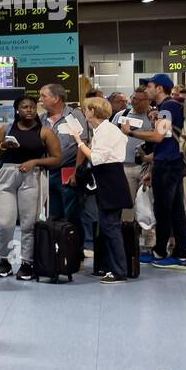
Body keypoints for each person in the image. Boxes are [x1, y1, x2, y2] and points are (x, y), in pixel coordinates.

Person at [0, 96, 62, 279]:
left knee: (29, 223)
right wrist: (3, 145)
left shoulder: (45, 132)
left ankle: (27, 263)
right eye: (24, 107)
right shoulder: (6, 129)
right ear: (17, 110)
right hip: (7, 175)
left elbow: (56, 158)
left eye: (32, 107)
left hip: (32, 175)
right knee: (4, 222)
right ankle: (4, 260)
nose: (29, 110)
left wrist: (35, 161)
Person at [125, 74, 186, 269]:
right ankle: (179, 254)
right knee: (175, 209)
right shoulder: (167, 107)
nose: (146, 90)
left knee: (164, 210)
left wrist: (131, 132)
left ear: (160, 88)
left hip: (168, 166)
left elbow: (158, 137)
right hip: (170, 163)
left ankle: (161, 252)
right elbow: (167, 140)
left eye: (150, 86)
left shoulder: (168, 107)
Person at [76, 96, 133, 283]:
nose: (84, 113)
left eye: (86, 109)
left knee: (111, 227)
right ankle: (111, 267)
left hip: (110, 180)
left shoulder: (105, 131)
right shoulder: (104, 129)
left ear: (92, 111)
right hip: (109, 180)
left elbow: (97, 158)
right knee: (108, 226)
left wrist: (79, 141)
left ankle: (119, 271)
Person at [38, 83, 86, 224]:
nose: (40, 99)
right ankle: (54, 243)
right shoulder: (41, 119)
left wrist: (76, 172)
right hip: (46, 174)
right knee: (52, 214)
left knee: (70, 215)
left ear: (55, 98)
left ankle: (72, 244)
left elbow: (82, 144)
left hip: (67, 171)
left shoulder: (74, 115)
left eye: (43, 96)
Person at [113, 87, 154, 211]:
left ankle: (147, 230)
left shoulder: (153, 117)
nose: (136, 102)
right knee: (126, 204)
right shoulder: (122, 115)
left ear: (149, 101)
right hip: (125, 167)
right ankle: (128, 227)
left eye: (140, 100)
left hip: (147, 168)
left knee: (147, 204)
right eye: (134, 98)